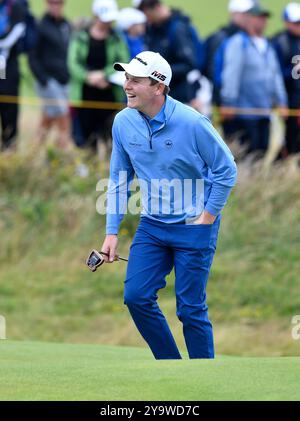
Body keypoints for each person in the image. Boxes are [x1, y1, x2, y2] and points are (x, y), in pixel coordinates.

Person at [101, 51, 237, 360]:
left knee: (190, 309)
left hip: (195, 225)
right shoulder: (123, 122)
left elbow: (226, 169)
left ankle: (204, 380)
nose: (127, 85)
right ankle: (171, 368)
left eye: (135, 80)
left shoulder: (191, 122)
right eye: (126, 78)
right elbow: (119, 179)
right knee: (136, 296)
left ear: (158, 87)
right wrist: (111, 232)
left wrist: (208, 217)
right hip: (152, 226)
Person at [220, 5, 288, 156]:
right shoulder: (238, 43)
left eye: (264, 18)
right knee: (244, 154)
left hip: (264, 110)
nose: (262, 22)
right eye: (258, 18)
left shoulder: (268, 45)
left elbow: (275, 76)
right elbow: (231, 75)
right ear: (248, 19)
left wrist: (281, 101)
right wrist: (229, 102)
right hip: (244, 111)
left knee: (261, 151)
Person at [68, 0, 129, 157]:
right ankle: (89, 166)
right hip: (84, 94)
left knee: (110, 135)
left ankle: (109, 168)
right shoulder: (80, 37)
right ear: (96, 16)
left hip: (109, 94)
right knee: (86, 137)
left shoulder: (117, 38)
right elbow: (73, 63)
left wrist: (104, 75)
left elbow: (123, 61)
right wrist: (88, 77)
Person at [133, 0, 202, 104]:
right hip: (160, 95)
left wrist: (157, 73)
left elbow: (188, 64)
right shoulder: (153, 29)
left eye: (147, 14)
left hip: (179, 97)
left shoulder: (177, 28)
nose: (146, 19)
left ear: (156, 7)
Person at [28, 0, 72, 150]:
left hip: (64, 80)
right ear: (47, 4)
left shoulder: (66, 25)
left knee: (48, 117)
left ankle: (35, 152)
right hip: (48, 81)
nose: (55, 6)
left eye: (58, 3)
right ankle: (64, 152)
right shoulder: (40, 26)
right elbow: (32, 55)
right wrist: (43, 79)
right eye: (52, 3)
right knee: (64, 115)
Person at [272, 3, 300, 157]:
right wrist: (295, 70)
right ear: (286, 22)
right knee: (291, 139)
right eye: (296, 23)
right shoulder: (279, 43)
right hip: (289, 101)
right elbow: (275, 74)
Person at [0, 0, 25, 151]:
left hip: (7, 70)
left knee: (9, 114)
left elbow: (14, 35)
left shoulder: (16, 7)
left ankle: (9, 153)